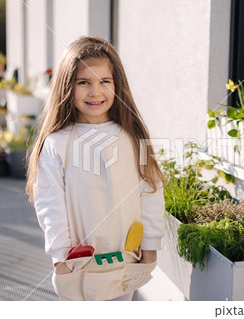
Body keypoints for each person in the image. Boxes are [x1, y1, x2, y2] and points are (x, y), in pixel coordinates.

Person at [25, 36, 165, 301]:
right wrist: (61, 257)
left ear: (117, 85)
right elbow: (49, 204)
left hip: (126, 260)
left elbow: (150, 192)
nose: (95, 91)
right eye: (84, 82)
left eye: (104, 82)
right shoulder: (58, 143)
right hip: (79, 264)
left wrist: (151, 244)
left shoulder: (134, 137)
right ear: (68, 85)